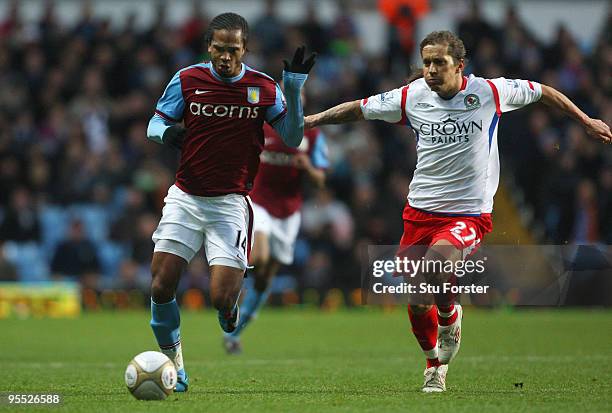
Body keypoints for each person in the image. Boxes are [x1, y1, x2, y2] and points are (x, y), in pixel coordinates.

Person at [304, 30, 611, 393]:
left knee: (437, 266)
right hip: (419, 212)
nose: (431, 70)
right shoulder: (411, 96)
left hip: (468, 213)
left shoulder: (489, 92)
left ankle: (450, 318)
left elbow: (543, 91)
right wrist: (311, 121)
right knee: (417, 300)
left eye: (439, 63)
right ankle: (434, 365)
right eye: (427, 63)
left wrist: (585, 120)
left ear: (459, 65)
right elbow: (358, 109)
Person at [146, 12, 316, 392]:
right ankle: (176, 369)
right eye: (219, 49)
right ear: (209, 47)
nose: (225, 57)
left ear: (245, 49)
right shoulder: (188, 79)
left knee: (220, 299)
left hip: (229, 205)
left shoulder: (262, 87)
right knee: (160, 287)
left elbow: (291, 137)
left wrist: (292, 90)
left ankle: (231, 309)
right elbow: (153, 123)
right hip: (186, 198)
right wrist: (167, 132)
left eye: (233, 50)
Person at [223, 116, 329, 354]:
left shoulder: (311, 135)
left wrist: (308, 168)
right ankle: (227, 303)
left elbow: (321, 179)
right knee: (257, 257)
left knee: (264, 278)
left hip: (288, 213)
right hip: (258, 202)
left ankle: (234, 334)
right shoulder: (260, 127)